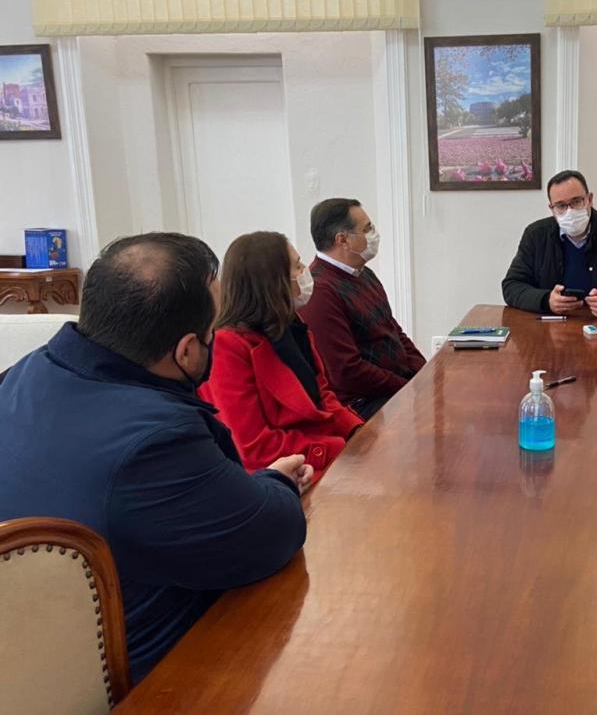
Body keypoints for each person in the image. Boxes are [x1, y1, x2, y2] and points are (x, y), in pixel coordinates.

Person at [0, 233, 312, 682]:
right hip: (139, 677)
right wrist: (276, 481)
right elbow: (272, 534)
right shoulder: (156, 441)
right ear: (186, 351)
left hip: (30, 657)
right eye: (211, 334)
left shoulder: (24, 371)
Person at [199, 231, 364, 473]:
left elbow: (322, 395)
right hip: (287, 471)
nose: (306, 271)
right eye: (297, 266)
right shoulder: (227, 345)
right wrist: (336, 449)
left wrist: (358, 431)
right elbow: (254, 447)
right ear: (273, 281)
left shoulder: (290, 324)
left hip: (320, 452)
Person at [300, 198, 425, 420]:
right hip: (363, 403)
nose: (374, 234)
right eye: (366, 229)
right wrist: (407, 387)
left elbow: (393, 329)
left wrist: (423, 372)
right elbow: (347, 371)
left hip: (393, 388)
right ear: (343, 240)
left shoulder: (364, 274)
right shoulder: (321, 291)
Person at [502, 169, 597, 317]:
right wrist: (546, 300)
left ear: (589, 199)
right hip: (553, 327)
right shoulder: (536, 235)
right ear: (552, 208)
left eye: (576, 201)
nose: (569, 211)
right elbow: (512, 286)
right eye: (561, 206)